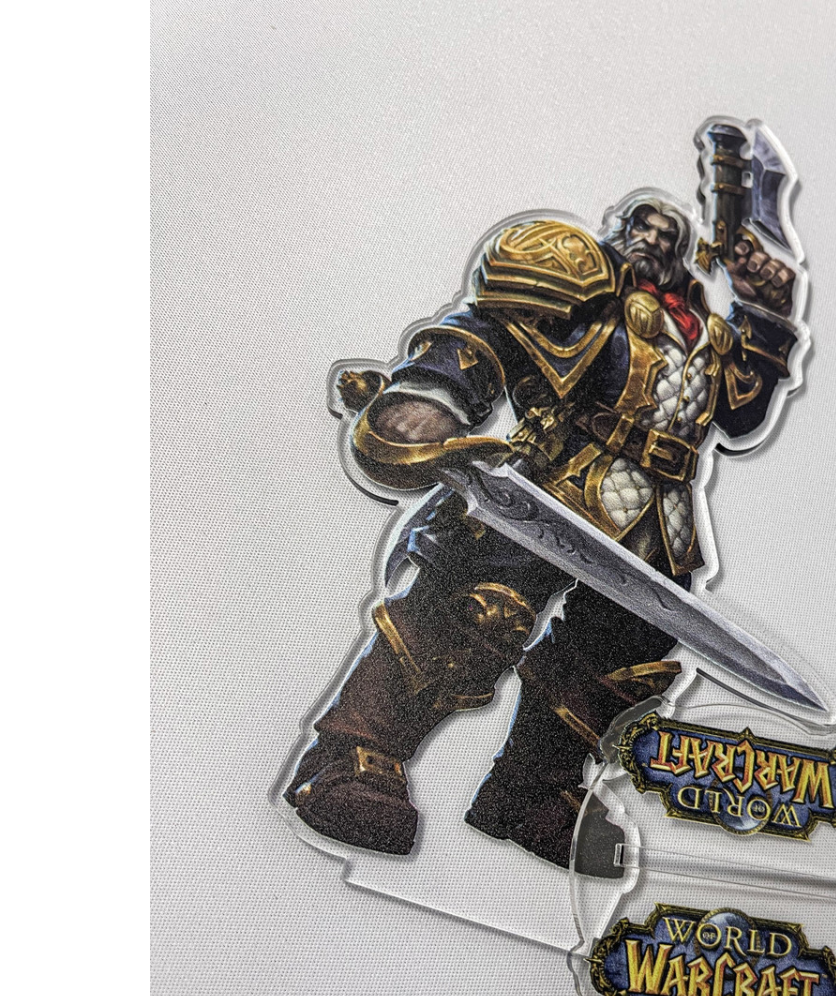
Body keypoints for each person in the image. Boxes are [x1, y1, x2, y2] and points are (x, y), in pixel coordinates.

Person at [284, 196, 801, 869]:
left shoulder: (706, 330)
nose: (650, 238)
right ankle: (352, 757)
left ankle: (530, 796)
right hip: (558, 482)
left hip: (661, 515)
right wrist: (432, 397)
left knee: (615, 659)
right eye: (640, 226)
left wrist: (767, 313)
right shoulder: (580, 278)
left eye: (665, 233)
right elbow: (491, 328)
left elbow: (740, 416)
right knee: (477, 611)